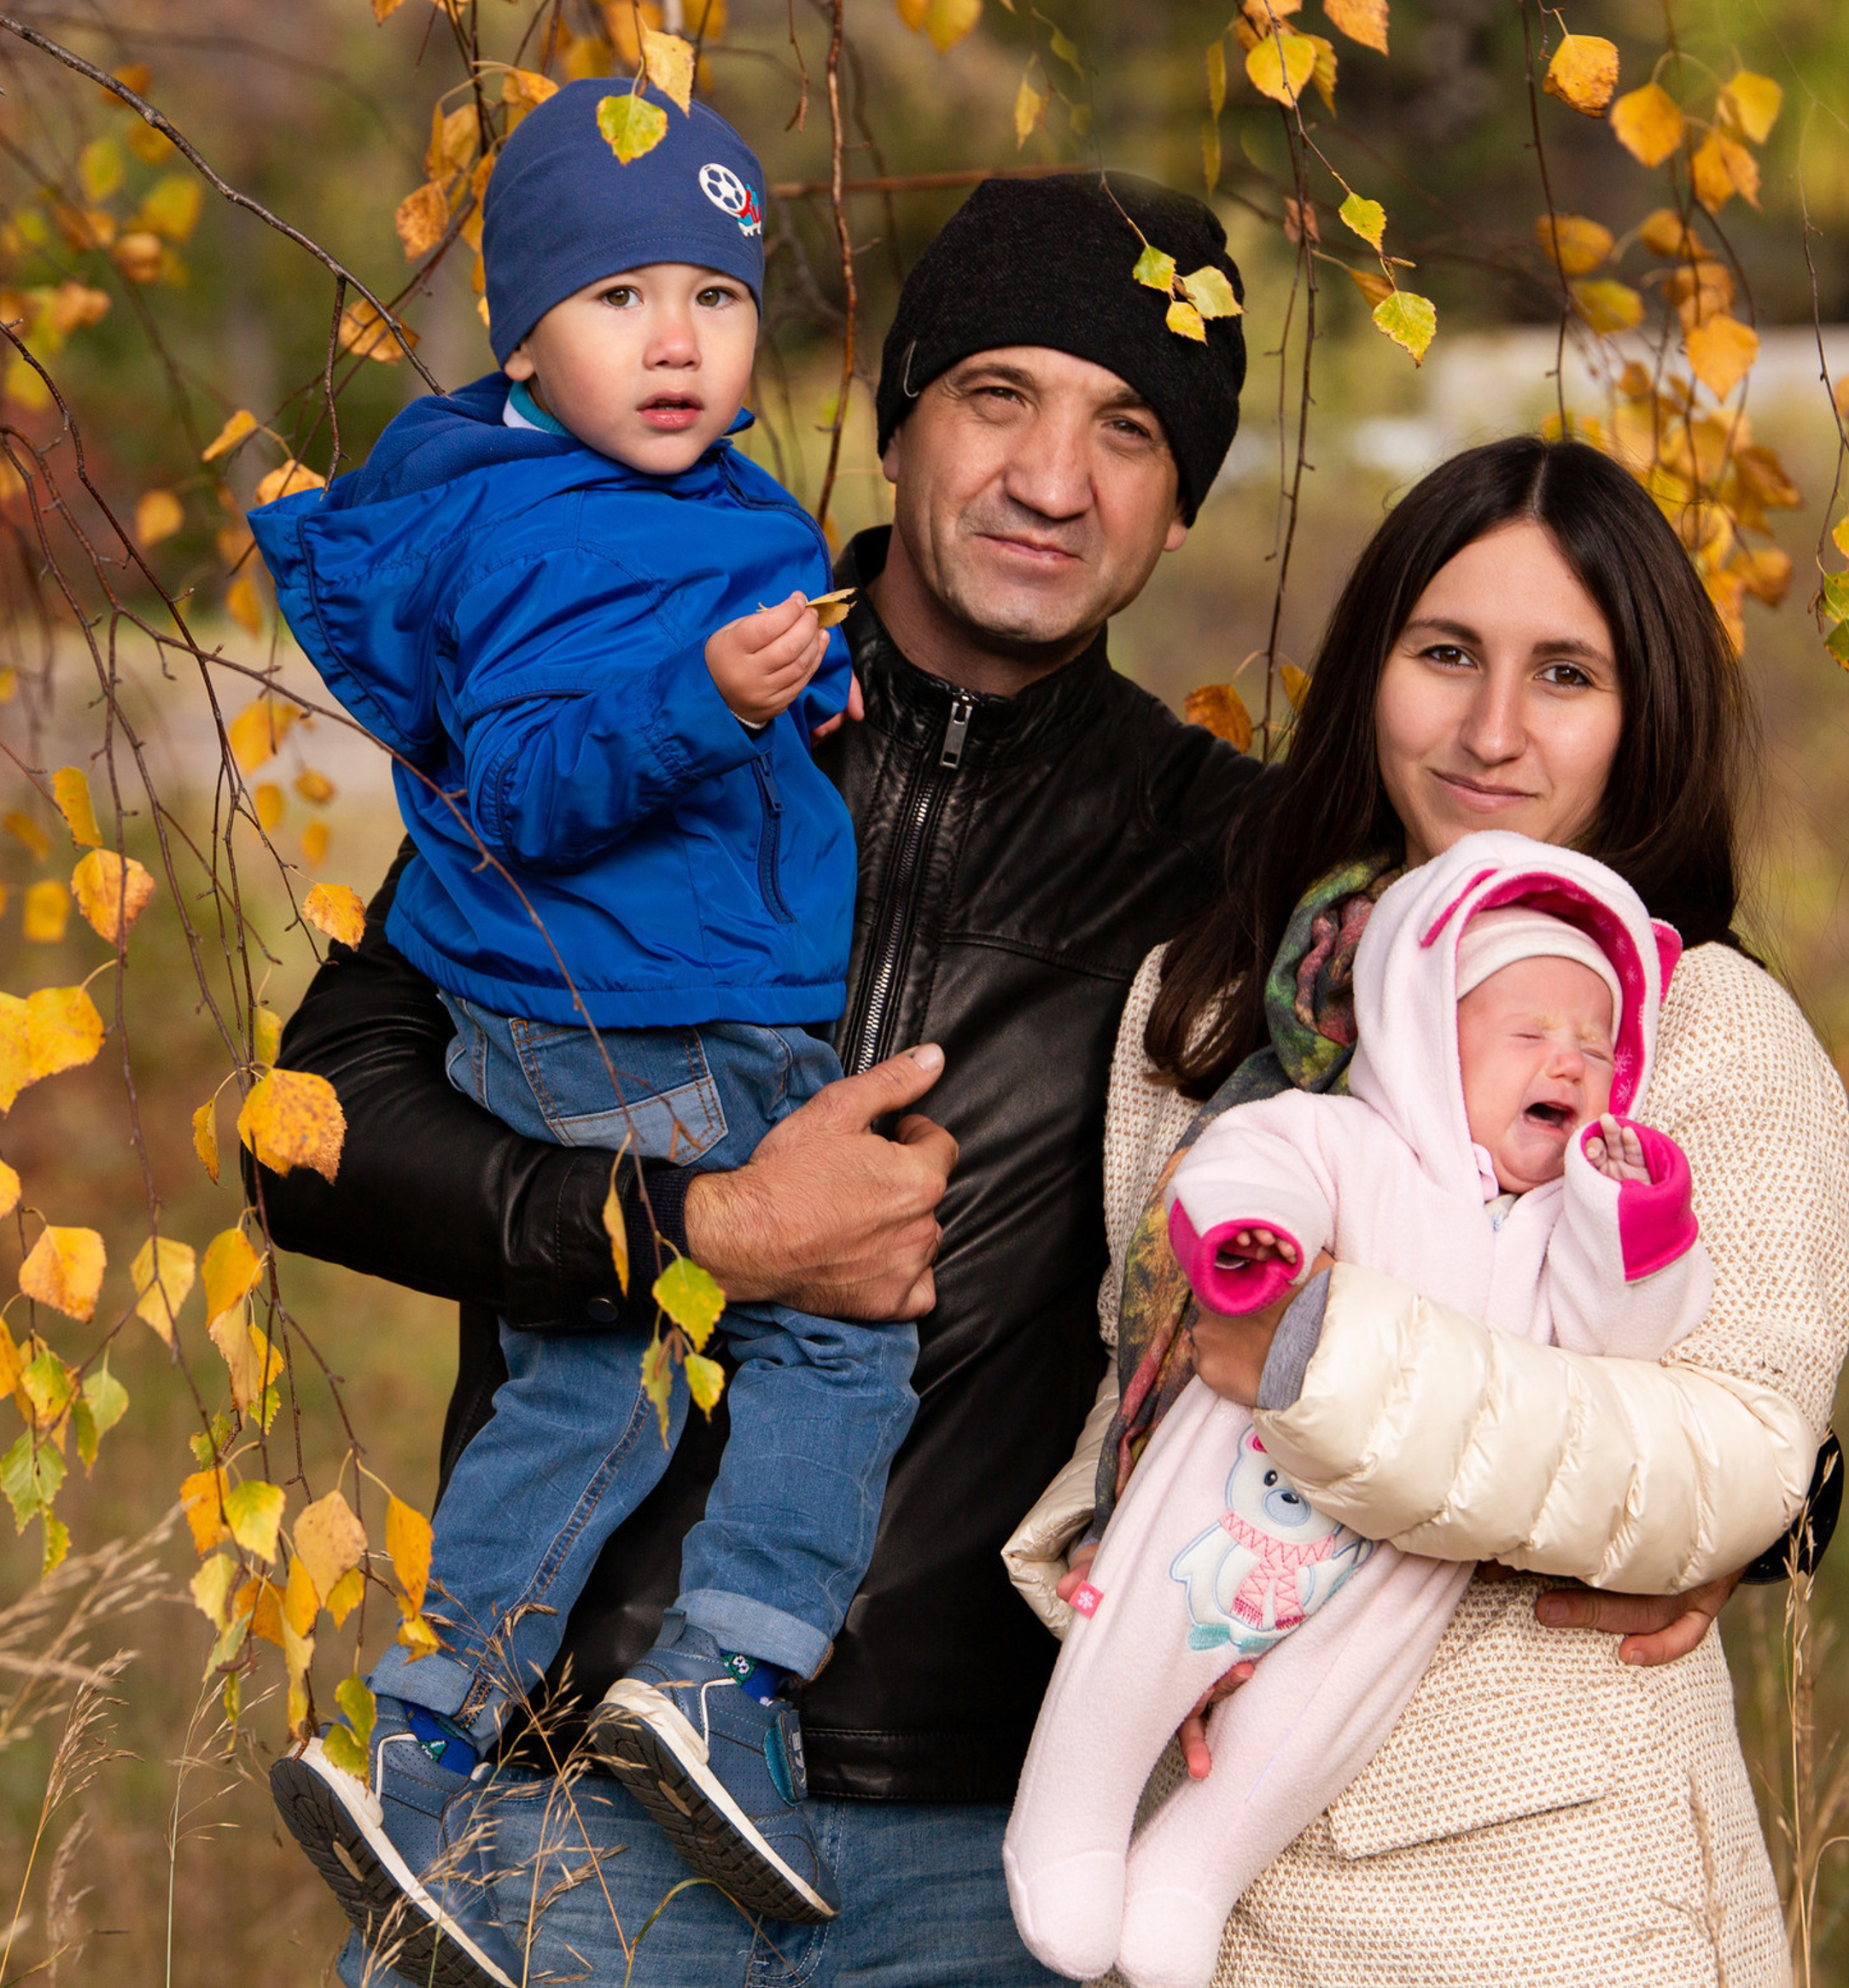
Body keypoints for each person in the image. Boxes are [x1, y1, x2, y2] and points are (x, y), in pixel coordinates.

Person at [252, 166, 1274, 1986]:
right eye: (996, 396)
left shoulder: (1229, 863)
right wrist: (690, 1224)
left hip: (985, 1843)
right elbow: (311, 1134)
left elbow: (1560, 1113)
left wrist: (1733, 1513)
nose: (1050, 476)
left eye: (1125, 429)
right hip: (565, 1802)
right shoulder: (642, 694)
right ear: (895, 427)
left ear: (1180, 506)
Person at [1006, 435, 1849, 1985]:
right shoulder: (1204, 1002)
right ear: (1369, 668)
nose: (1492, 729)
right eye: (1445, 653)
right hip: (1202, 1883)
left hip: (1547, 1894)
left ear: (1642, 711)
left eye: (1567, 675)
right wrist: (1139, 1608)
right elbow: (1132, 1393)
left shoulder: (1706, 1027)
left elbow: (1737, 1457)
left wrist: (1320, 1353)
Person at [250, 79, 918, 1979]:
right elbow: (534, 776)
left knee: (585, 1376)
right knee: (837, 1337)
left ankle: (432, 1721)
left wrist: (800, 697)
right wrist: (708, 698)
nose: (678, 338)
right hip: (630, 1010)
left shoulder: (682, 502)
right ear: (523, 330)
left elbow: (733, 668)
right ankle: (719, 1676)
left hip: (639, 989)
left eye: (712, 295)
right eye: (620, 295)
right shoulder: (548, 532)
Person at [1004, 831, 1713, 1987]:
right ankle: (1065, 1823)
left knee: (1316, 1724)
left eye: (1597, 1045)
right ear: (1430, 1040)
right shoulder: (1350, 1140)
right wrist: (1258, 1244)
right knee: (1148, 1635)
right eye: (1530, 1033)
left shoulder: (1554, 1230)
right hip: (1243, 1479)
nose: (1572, 1061)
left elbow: (1624, 1338)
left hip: (1407, 1555)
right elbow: (1250, 1164)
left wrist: (1630, 1218)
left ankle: (1195, 1873)